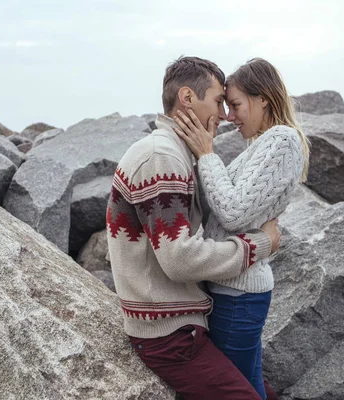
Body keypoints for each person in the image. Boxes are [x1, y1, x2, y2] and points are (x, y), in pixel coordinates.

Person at [106, 56, 281, 400]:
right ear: (187, 98)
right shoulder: (162, 157)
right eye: (218, 102)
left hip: (184, 323)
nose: (225, 115)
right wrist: (257, 244)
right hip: (168, 335)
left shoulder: (179, 153)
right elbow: (180, 259)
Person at [172, 57, 310, 399]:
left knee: (234, 391)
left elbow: (232, 213)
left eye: (235, 105)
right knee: (248, 387)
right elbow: (224, 209)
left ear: (263, 97)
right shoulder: (262, 144)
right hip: (235, 288)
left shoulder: (281, 141)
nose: (230, 117)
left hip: (239, 294)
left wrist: (206, 154)